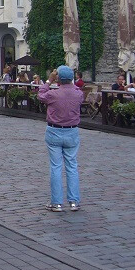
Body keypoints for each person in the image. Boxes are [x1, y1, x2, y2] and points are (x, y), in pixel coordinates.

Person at [38, 65, 83, 213]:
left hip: (54, 131)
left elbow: (41, 94)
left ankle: (57, 203)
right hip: (72, 131)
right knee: (72, 166)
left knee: (56, 167)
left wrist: (49, 80)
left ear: (58, 79)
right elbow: (75, 88)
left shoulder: (53, 94)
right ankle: (74, 202)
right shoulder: (78, 94)